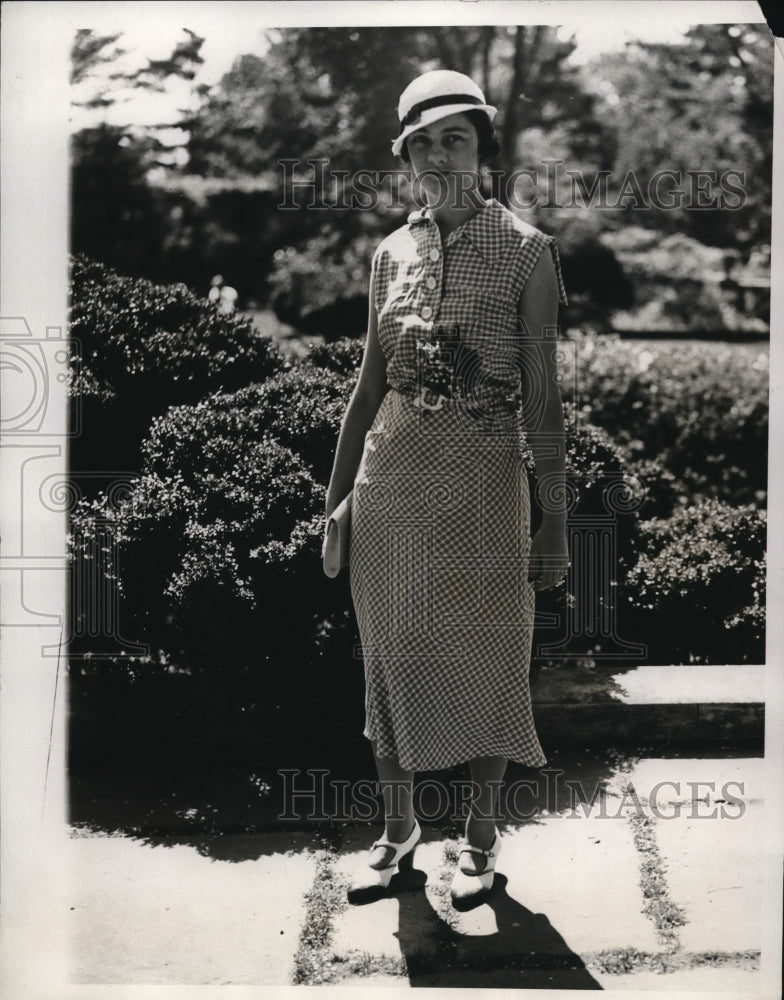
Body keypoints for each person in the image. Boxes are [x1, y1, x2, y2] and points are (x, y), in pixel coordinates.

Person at [324, 69, 569, 909]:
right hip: (389, 490)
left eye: (454, 137)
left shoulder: (529, 252)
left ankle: (480, 839)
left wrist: (555, 523)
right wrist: (335, 506)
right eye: (422, 140)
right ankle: (398, 833)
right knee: (388, 663)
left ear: (483, 150)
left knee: (494, 656)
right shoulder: (389, 252)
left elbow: (543, 398)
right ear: (404, 154)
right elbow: (366, 390)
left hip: (485, 489)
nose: (438, 153)